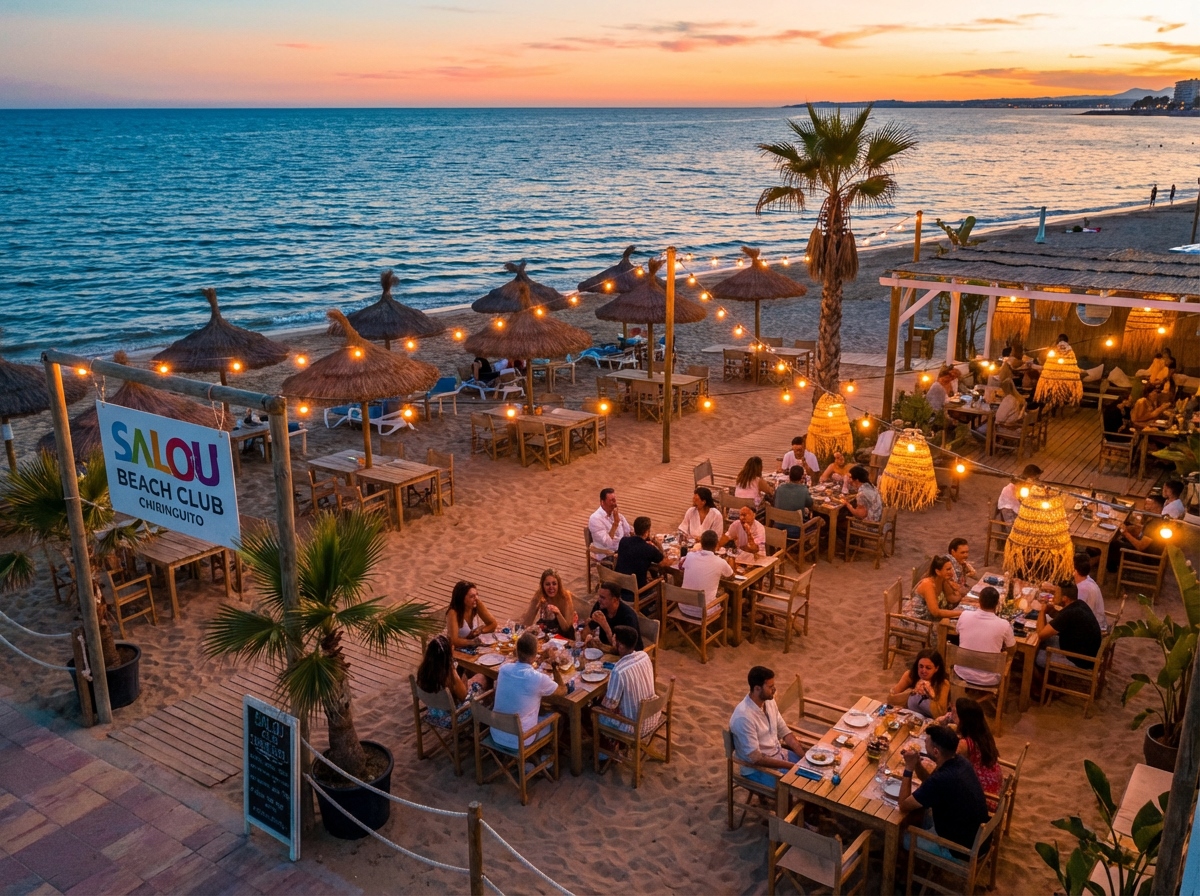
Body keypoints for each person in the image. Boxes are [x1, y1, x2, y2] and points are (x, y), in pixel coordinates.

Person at [898, 725, 990, 856]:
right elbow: (929, 782)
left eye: (926, 742)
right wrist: (917, 764)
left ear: (936, 752)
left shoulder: (941, 780)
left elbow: (903, 805)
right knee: (920, 814)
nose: (924, 744)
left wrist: (908, 768)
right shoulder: (961, 762)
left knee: (902, 836)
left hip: (961, 851)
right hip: (978, 838)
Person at [728, 665, 806, 786]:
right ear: (757, 688)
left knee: (811, 770)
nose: (774, 689)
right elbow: (756, 758)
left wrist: (804, 757)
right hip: (756, 769)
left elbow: (784, 731)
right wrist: (791, 766)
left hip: (778, 754)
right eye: (770, 687)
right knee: (799, 784)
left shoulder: (769, 701)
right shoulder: (744, 717)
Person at [492, 632, 565, 749]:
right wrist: (554, 664)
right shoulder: (537, 679)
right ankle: (545, 755)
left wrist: (540, 659)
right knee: (560, 718)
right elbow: (562, 691)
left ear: (516, 651)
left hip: (497, 733)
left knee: (537, 709)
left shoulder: (504, 669)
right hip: (521, 740)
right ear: (535, 653)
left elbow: (521, 666)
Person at [938, 698, 1003, 811]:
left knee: (939, 785)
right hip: (993, 786)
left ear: (963, 719)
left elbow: (944, 761)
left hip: (983, 798)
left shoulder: (965, 744)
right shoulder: (982, 734)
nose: (952, 713)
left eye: (955, 712)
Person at [597, 625, 659, 737]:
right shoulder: (644, 656)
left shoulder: (618, 671)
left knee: (595, 713)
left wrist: (598, 701)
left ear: (620, 645)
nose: (612, 642)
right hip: (652, 716)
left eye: (614, 640)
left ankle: (607, 746)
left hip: (634, 727)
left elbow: (609, 706)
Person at [415, 635, 488, 728]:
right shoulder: (448, 674)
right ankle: (483, 721)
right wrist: (455, 670)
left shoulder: (423, 671)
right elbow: (463, 696)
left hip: (434, 712)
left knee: (472, 680)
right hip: (452, 718)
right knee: (482, 678)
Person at [954, 586, 1015, 686]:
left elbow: (957, 632)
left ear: (979, 601)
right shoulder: (1004, 625)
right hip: (989, 678)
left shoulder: (964, 615)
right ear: (997, 603)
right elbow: (1012, 649)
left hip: (962, 672)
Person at [1034, 580, 1102, 671]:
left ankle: (1042, 679)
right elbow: (1061, 620)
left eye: (1056, 594)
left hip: (1079, 661)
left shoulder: (1069, 613)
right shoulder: (1079, 604)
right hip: (1085, 652)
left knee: (1036, 655)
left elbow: (1041, 634)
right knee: (1043, 643)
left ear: (1064, 598)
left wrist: (1042, 610)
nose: (1053, 596)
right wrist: (1050, 611)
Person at [679, 529, 733, 619]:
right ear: (716, 545)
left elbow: (681, 566)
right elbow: (731, 577)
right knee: (725, 595)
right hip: (704, 611)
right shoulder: (720, 562)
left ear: (701, 543)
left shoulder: (690, 556)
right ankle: (723, 623)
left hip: (683, 607)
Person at [1108, 494, 1167, 573]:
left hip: (1146, 559)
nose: (1145, 507)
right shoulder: (1156, 519)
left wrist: (1125, 533)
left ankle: (1110, 570)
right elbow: (1143, 534)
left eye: (1149, 504)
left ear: (1157, 506)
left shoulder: (1155, 525)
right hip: (1147, 553)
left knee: (1113, 545)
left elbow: (1140, 547)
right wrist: (1131, 529)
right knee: (1119, 540)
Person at [889, 648, 951, 718]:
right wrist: (913, 692)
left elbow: (941, 714)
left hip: (931, 721)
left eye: (928, 668)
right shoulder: (910, 675)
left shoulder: (943, 684)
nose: (923, 670)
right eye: (921, 666)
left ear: (936, 668)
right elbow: (891, 699)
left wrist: (931, 693)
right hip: (910, 718)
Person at [905, 556, 964, 627]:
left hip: (928, 618)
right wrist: (961, 613)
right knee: (951, 628)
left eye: (951, 568)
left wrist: (958, 591)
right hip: (915, 620)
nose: (951, 572)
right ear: (938, 572)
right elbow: (935, 612)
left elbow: (951, 598)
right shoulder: (928, 584)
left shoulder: (942, 580)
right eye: (948, 569)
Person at [586, 582, 643, 651]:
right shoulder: (600, 606)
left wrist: (605, 626)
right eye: (599, 596)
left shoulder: (628, 617)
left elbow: (621, 649)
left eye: (603, 597)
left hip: (628, 652)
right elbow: (588, 628)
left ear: (614, 600)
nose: (599, 600)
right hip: (606, 646)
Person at [615, 516, 664, 591]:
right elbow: (662, 558)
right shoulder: (649, 549)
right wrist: (658, 544)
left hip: (619, 585)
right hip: (637, 590)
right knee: (660, 579)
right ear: (647, 532)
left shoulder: (623, 541)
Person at [520, 569, 575, 635]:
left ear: (558, 585)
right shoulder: (540, 595)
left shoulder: (565, 597)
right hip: (547, 631)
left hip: (564, 634)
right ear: (543, 586)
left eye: (554, 584)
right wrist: (534, 608)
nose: (551, 587)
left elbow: (566, 628)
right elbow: (527, 622)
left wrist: (558, 613)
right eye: (547, 584)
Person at [446, 580, 497, 649]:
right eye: (472, 596)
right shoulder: (453, 613)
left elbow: (493, 623)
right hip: (458, 650)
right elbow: (454, 641)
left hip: (474, 648)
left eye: (477, 594)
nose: (476, 598)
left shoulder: (477, 603)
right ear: (462, 598)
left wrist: (480, 631)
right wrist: (474, 642)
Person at [589, 488, 632, 562]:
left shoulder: (614, 513)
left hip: (622, 548)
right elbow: (607, 543)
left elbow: (628, 531)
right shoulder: (595, 519)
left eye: (615, 500)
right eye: (611, 500)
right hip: (608, 554)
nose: (615, 503)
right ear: (602, 502)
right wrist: (615, 524)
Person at [1069, 553, 1107, 632]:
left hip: (1092, 627)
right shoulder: (1088, 579)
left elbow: (1078, 613)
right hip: (1096, 621)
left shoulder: (1082, 588)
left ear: (1075, 570)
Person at [771, 466, 813, 534]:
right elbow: (810, 504)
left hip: (778, 526)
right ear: (802, 477)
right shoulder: (803, 489)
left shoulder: (780, 488)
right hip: (795, 530)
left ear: (789, 476)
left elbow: (774, 500)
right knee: (818, 520)